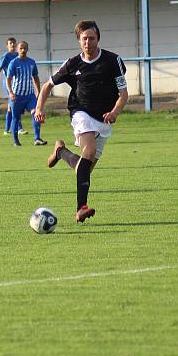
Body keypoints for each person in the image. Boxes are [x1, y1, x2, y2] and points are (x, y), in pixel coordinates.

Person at [35, 20, 128, 223]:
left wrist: (114, 112)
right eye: (84, 38)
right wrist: (39, 108)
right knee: (90, 151)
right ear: (79, 40)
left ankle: (60, 151)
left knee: (84, 167)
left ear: (98, 39)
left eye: (91, 38)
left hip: (104, 118)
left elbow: (123, 94)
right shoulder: (72, 64)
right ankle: (81, 208)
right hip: (80, 112)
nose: (88, 42)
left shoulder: (114, 61)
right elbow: (46, 87)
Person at [5, 41, 46, 146]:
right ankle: (16, 141)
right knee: (16, 117)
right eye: (21, 48)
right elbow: (8, 79)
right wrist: (10, 93)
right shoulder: (13, 63)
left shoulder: (31, 62)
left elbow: (35, 77)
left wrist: (38, 92)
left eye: (25, 48)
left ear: (27, 49)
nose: (23, 50)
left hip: (30, 96)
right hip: (17, 96)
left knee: (36, 113)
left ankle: (37, 138)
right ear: (18, 50)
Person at [0, 37, 24, 135]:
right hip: (8, 83)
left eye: (14, 43)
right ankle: (18, 128)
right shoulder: (6, 56)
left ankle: (7, 129)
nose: (12, 45)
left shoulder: (18, 55)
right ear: (7, 45)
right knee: (14, 104)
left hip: (17, 83)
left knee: (11, 106)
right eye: (10, 43)